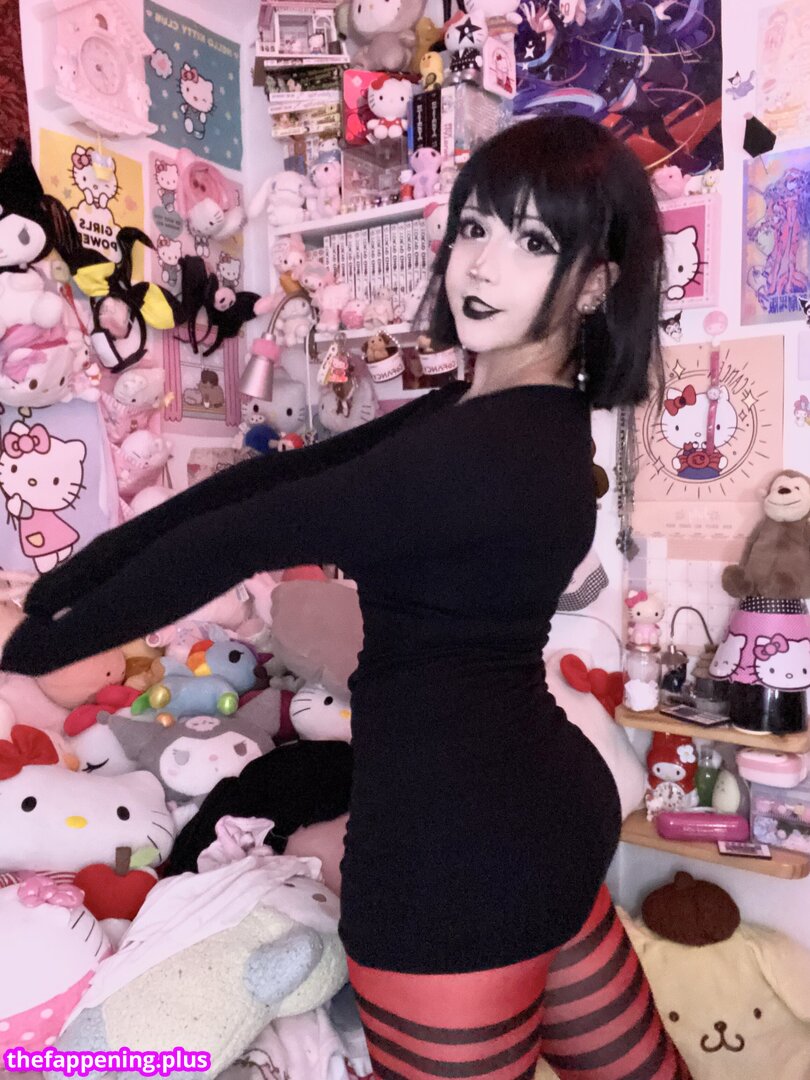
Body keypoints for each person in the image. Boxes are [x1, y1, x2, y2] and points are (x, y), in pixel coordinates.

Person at [2, 117, 690, 1080]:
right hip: (540, 816)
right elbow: (258, 487)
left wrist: (33, 648)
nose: (482, 264)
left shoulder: (489, 447)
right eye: (477, 226)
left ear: (595, 282)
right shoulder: (495, 413)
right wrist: (64, 587)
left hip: (452, 864)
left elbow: (241, 536)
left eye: (535, 241)